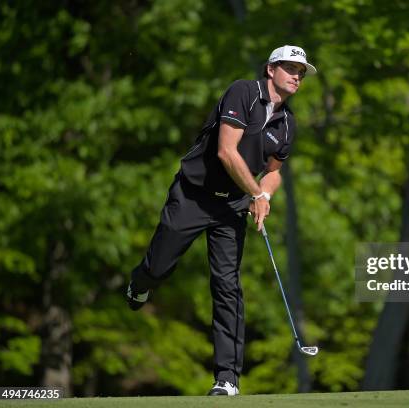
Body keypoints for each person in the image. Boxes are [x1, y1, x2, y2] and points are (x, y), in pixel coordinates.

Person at [125, 45, 317, 396]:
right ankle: (141, 281)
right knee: (160, 266)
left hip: (231, 208)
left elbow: (273, 172)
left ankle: (227, 379)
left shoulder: (288, 122)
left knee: (228, 287)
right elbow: (226, 152)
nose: (296, 76)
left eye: (301, 72)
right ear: (271, 69)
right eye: (291, 68)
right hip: (193, 195)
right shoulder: (243, 91)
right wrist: (256, 194)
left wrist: (265, 195)